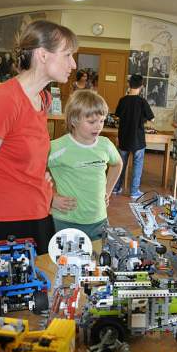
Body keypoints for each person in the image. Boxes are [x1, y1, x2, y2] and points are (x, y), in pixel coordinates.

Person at [0, 20, 77, 273]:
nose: (73, 64)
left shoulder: (42, 98)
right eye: (67, 55)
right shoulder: (4, 101)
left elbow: (23, 156)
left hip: (38, 216)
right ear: (42, 55)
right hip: (5, 224)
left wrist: (43, 183)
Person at [48, 90, 122, 240]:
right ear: (73, 120)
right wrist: (50, 198)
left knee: (98, 255)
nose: (98, 127)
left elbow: (117, 164)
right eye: (91, 122)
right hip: (66, 221)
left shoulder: (105, 144)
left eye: (101, 121)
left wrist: (107, 191)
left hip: (99, 220)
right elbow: (30, 173)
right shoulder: (57, 147)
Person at [113, 74, 155, 199]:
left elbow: (117, 116)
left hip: (124, 137)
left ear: (129, 84)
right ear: (141, 86)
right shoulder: (142, 102)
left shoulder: (122, 100)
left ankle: (116, 188)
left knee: (121, 164)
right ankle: (134, 191)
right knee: (137, 165)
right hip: (138, 139)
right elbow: (152, 119)